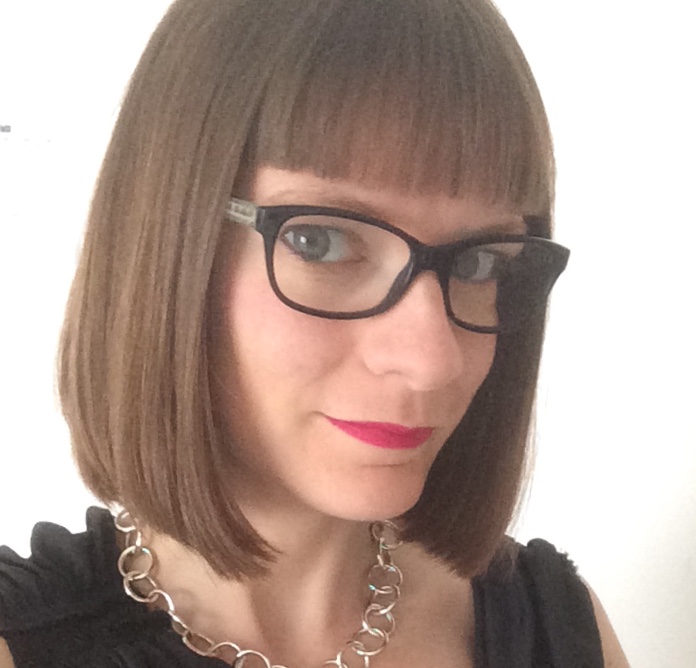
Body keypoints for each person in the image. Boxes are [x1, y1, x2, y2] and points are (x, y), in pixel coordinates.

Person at [0, 0, 630, 666]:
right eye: (321, 241)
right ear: (167, 243)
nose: (430, 360)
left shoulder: (558, 629)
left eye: (479, 263)